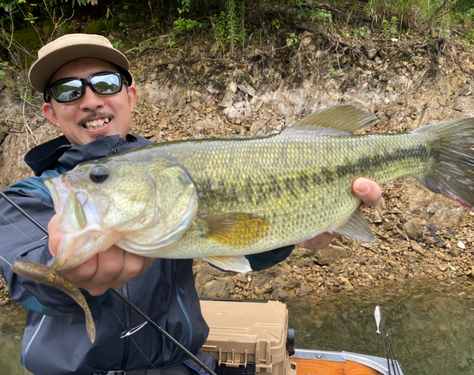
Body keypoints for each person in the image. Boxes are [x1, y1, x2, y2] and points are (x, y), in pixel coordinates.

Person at [0, 34, 382, 375]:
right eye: (69, 91)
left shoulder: (173, 173)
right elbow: (26, 277)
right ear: (51, 112)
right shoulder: (24, 199)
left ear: (129, 96)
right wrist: (62, 271)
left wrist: (296, 231)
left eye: (105, 83)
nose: (91, 100)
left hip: (180, 366)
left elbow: (240, 249)